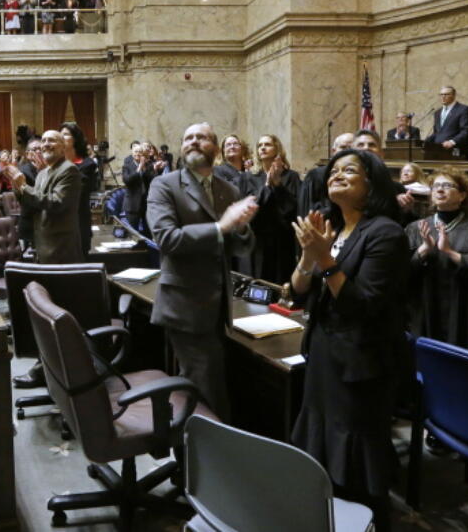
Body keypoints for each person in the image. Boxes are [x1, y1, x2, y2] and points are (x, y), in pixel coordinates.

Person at [289, 149, 409, 532]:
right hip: (325, 353)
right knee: (322, 441)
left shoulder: (385, 233)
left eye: (349, 171)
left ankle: (369, 522)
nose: (336, 175)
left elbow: (364, 305)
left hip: (362, 362)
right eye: (333, 171)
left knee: (358, 454)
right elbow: (297, 292)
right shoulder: (333, 229)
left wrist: (325, 261)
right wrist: (309, 258)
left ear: (370, 185)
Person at [147, 122, 257, 422]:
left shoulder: (228, 189)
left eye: (202, 137)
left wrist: (242, 224)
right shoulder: (164, 185)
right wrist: (222, 226)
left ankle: (198, 448)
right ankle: (206, 457)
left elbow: (240, 248)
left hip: (218, 306)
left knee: (213, 380)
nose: (194, 141)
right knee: (206, 388)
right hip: (185, 306)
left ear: (216, 149)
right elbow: (167, 239)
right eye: (188, 137)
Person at [405, 166, 468, 352]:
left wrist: (451, 253)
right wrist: (422, 251)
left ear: (463, 195)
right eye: (435, 186)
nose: (439, 190)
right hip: (425, 307)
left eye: (447, 185)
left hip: (465, 310)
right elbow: (400, 273)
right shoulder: (415, 228)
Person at [4, 129, 84, 264]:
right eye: (44, 141)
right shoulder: (42, 172)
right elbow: (33, 203)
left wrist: (24, 186)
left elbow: (55, 203)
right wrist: (16, 185)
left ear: (63, 147)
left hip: (60, 246)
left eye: (51, 140)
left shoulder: (69, 169)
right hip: (42, 243)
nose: (46, 144)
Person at [248, 133, 300, 285]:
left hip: (282, 239)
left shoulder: (291, 177)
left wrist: (278, 185)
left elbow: (294, 208)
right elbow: (248, 207)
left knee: (281, 285)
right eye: (260, 145)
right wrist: (266, 187)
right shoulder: (249, 178)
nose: (263, 148)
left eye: (267, 144)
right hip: (258, 240)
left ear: (277, 149)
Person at [61, 121, 98, 257]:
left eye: (65, 134)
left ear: (75, 138)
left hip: (78, 221)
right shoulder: (56, 163)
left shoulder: (87, 164)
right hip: (59, 223)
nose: (61, 137)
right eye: (60, 134)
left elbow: (77, 192)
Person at [298, 132, 355, 217]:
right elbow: (306, 209)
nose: (347, 151)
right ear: (334, 151)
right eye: (343, 147)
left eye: (351, 148)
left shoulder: (360, 176)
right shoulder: (316, 175)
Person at [424, 86, 468, 159]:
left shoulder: (463, 109)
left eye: (446, 94)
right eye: (441, 94)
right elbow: (437, 133)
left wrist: (452, 142)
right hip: (438, 152)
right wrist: (424, 142)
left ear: (454, 95)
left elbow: (467, 131)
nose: (443, 97)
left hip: (457, 151)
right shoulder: (437, 112)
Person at [121, 142, 158, 233]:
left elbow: (154, 180)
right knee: (133, 233)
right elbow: (127, 181)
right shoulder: (127, 166)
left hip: (146, 203)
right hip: (132, 204)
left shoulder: (148, 165)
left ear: (143, 154)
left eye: (140, 152)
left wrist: (149, 168)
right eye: (135, 152)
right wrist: (139, 168)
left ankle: (147, 247)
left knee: (148, 232)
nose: (137, 154)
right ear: (132, 153)